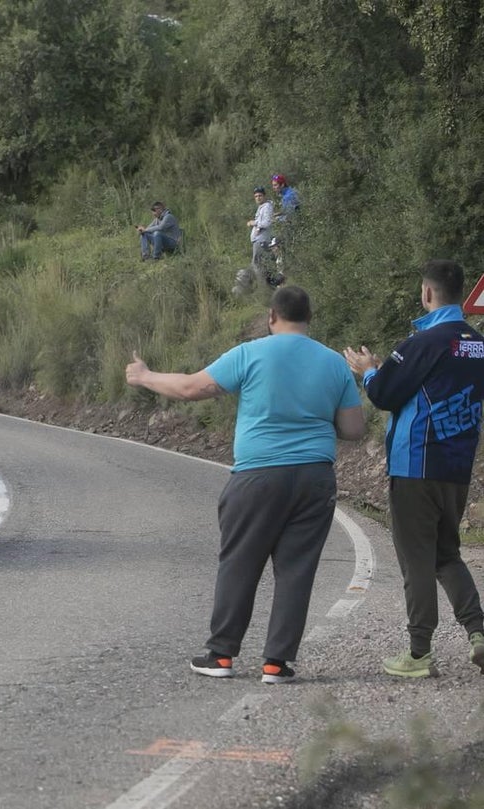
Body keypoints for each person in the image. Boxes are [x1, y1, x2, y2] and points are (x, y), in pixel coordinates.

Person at [126, 285, 365, 684]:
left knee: (240, 562)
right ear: (309, 319)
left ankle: (221, 655)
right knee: (297, 570)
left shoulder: (249, 353)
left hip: (258, 474)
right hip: (314, 477)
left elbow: (190, 388)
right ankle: (276, 663)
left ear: (272, 316)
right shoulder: (332, 363)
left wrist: (145, 376)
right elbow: (354, 429)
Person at [343, 259, 484, 678]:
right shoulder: (476, 343)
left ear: (427, 293)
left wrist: (368, 371)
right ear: (462, 294)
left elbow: (386, 393)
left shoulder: (422, 342)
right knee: (446, 554)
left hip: (416, 464)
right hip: (458, 467)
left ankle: (419, 653)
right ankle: (478, 632)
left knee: (416, 559)